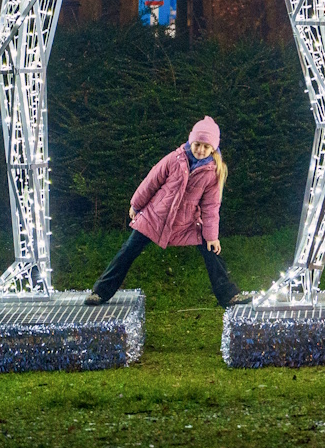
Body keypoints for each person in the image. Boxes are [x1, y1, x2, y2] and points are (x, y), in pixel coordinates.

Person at [83, 116, 242, 307]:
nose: (200, 150)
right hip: (155, 217)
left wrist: (211, 236)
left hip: (186, 222)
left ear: (213, 149)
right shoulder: (174, 159)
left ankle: (228, 295)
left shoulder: (213, 172)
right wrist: (136, 205)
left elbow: (211, 206)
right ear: (191, 141)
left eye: (206, 147)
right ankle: (100, 292)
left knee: (211, 250)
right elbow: (151, 182)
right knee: (128, 250)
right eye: (197, 144)